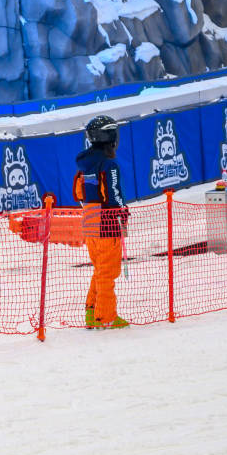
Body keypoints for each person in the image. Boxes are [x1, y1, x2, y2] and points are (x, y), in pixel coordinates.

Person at [73, 115, 129, 330]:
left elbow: (78, 192)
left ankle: (92, 312)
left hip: (89, 220)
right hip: (107, 222)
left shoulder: (84, 165)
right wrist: (122, 213)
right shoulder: (109, 164)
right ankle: (106, 316)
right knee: (108, 272)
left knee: (99, 268)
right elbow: (113, 193)